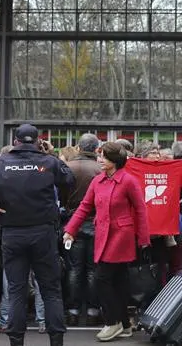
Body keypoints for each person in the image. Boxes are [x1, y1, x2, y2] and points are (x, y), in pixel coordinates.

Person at [0, 124, 73, 346]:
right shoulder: (48, 162)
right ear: (37, 141)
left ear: (15, 141)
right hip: (43, 232)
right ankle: (56, 341)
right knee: (51, 290)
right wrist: (49, 153)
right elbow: (68, 179)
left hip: (12, 232)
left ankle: (16, 341)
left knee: (16, 290)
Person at [63, 142, 150, 342]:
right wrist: (70, 230)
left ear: (114, 161)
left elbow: (140, 210)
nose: (99, 160)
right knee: (118, 282)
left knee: (103, 278)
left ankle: (113, 322)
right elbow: (84, 207)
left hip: (121, 236)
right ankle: (125, 325)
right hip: (102, 234)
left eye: (103, 157)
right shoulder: (98, 181)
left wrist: (144, 238)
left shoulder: (128, 181)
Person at [58, 134, 103, 327]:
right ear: (95, 149)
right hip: (95, 221)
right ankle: (93, 311)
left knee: (74, 268)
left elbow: (60, 194)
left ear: (78, 147)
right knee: (93, 269)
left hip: (72, 221)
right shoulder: (101, 169)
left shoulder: (67, 167)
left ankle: (73, 312)